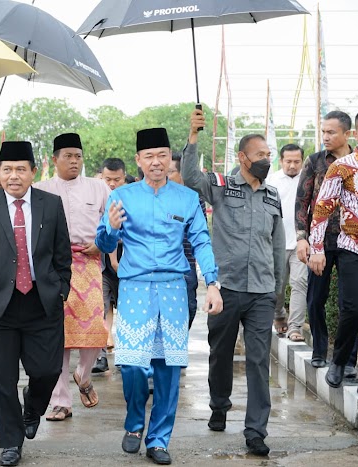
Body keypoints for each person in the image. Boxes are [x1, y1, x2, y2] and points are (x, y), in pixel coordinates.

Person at [96, 127, 222, 465]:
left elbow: (201, 241)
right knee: (132, 364)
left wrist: (212, 283)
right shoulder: (121, 196)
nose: (156, 162)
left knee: (169, 368)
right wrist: (109, 227)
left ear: (170, 159)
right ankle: (135, 423)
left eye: (162, 155)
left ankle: (159, 439)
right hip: (135, 286)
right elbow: (105, 245)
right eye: (149, 156)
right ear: (138, 160)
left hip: (173, 289)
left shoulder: (186, 198)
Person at [182, 109, 285, 457]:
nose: (266, 160)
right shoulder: (222, 186)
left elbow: (276, 247)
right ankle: (218, 405)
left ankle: (256, 431)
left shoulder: (273, 196)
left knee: (258, 361)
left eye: (268, 155)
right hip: (224, 289)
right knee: (220, 353)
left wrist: (278, 297)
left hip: (261, 292)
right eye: (260, 155)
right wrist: (193, 137)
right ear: (242, 158)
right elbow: (190, 177)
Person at [0, 141, 72, 467]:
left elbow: (62, 256)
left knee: (48, 370)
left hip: (41, 304)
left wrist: (61, 291)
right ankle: (10, 442)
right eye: (6, 170)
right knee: (1, 381)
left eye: (20, 169)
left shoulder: (51, 205)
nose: (13, 176)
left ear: (33, 172)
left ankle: (34, 405)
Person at [309, 107, 358, 399]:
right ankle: (340, 360)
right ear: (356, 134)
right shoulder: (341, 167)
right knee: (355, 308)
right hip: (352, 249)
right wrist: (317, 248)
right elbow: (322, 209)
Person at [35, 133, 111, 421]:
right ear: (54, 159)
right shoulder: (41, 189)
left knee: (94, 330)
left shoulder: (99, 187)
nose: (74, 161)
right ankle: (60, 402)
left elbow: (115, 220)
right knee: (59, 336)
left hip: (90, 262)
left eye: (78, 156)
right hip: (55, 267)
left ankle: (84, 373)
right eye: (68, 156)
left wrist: (103, 243)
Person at [295, 111, 358, 372]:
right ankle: (320, 351)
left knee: (351, 303)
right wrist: (303, 239)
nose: (325, 137)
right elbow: (302, 202)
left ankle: (348, 359)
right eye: (323, 132)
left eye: (331, 132)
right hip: (320, 242)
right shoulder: (315, 161)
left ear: (347, 134)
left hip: (353, 243)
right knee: (315, 298)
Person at [267, 144, 308, 342]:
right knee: (277, 287)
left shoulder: (309, 180)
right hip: (276, 243)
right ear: (281, 161)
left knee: (300, 283)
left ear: (302, 161)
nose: (292, 165)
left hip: (301, 243)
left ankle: (295, 327)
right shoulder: (271, 181)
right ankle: (279, 314)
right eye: (288, 161)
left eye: (296, 161)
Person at [92, 157, 127, 374]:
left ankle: (125, 356)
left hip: (129, 266)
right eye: (108, 179)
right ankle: (100, 357)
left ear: (125, 178)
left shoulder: (132, 198)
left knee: (127, 313)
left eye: (117, 179)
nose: (112, 184)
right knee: (101, 310)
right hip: (102, 266)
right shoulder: (97, 199)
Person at [168, 152, 208, 329]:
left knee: (189, 308)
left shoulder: (195, 198)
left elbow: (200, 231)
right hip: (160, 264)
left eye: (169, 172)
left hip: (186, 263)